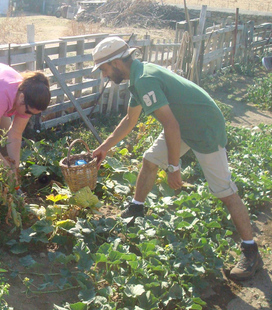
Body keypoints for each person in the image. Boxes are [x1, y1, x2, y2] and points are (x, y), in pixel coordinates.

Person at [90, 36, 263, 281]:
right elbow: (130, 120)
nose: (104, 75)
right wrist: (104, 148)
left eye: (104, 69)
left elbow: (170, 126)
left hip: (204, 128)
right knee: (150, 160)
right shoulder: (137, 78)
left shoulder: (145, 79)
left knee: (224, 191)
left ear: (117, 63)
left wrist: (174, 167)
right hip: (183, 124)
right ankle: (136, 208)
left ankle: (251, 251)